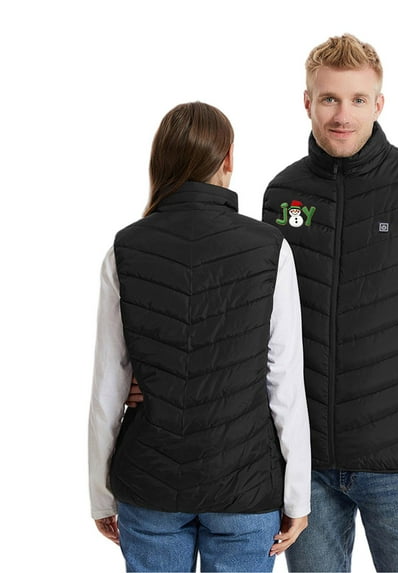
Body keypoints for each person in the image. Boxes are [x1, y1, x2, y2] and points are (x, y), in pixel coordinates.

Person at [127, 35, 398, 572]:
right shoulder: (281, 195)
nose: (342, 115)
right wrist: (159, 379)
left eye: (357, 99)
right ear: (307, 102)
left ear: (379, 103)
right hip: (305, 469)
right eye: (329, 99)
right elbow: (245, 325)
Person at [88, 101, 311, 573]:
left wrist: (100, 494)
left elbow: (108, 388)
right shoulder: (270, 249)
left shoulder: (125, 249)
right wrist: (297, 496)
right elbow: (285, 384)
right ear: (228, 158)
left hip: (149, 485)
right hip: (245, 486)